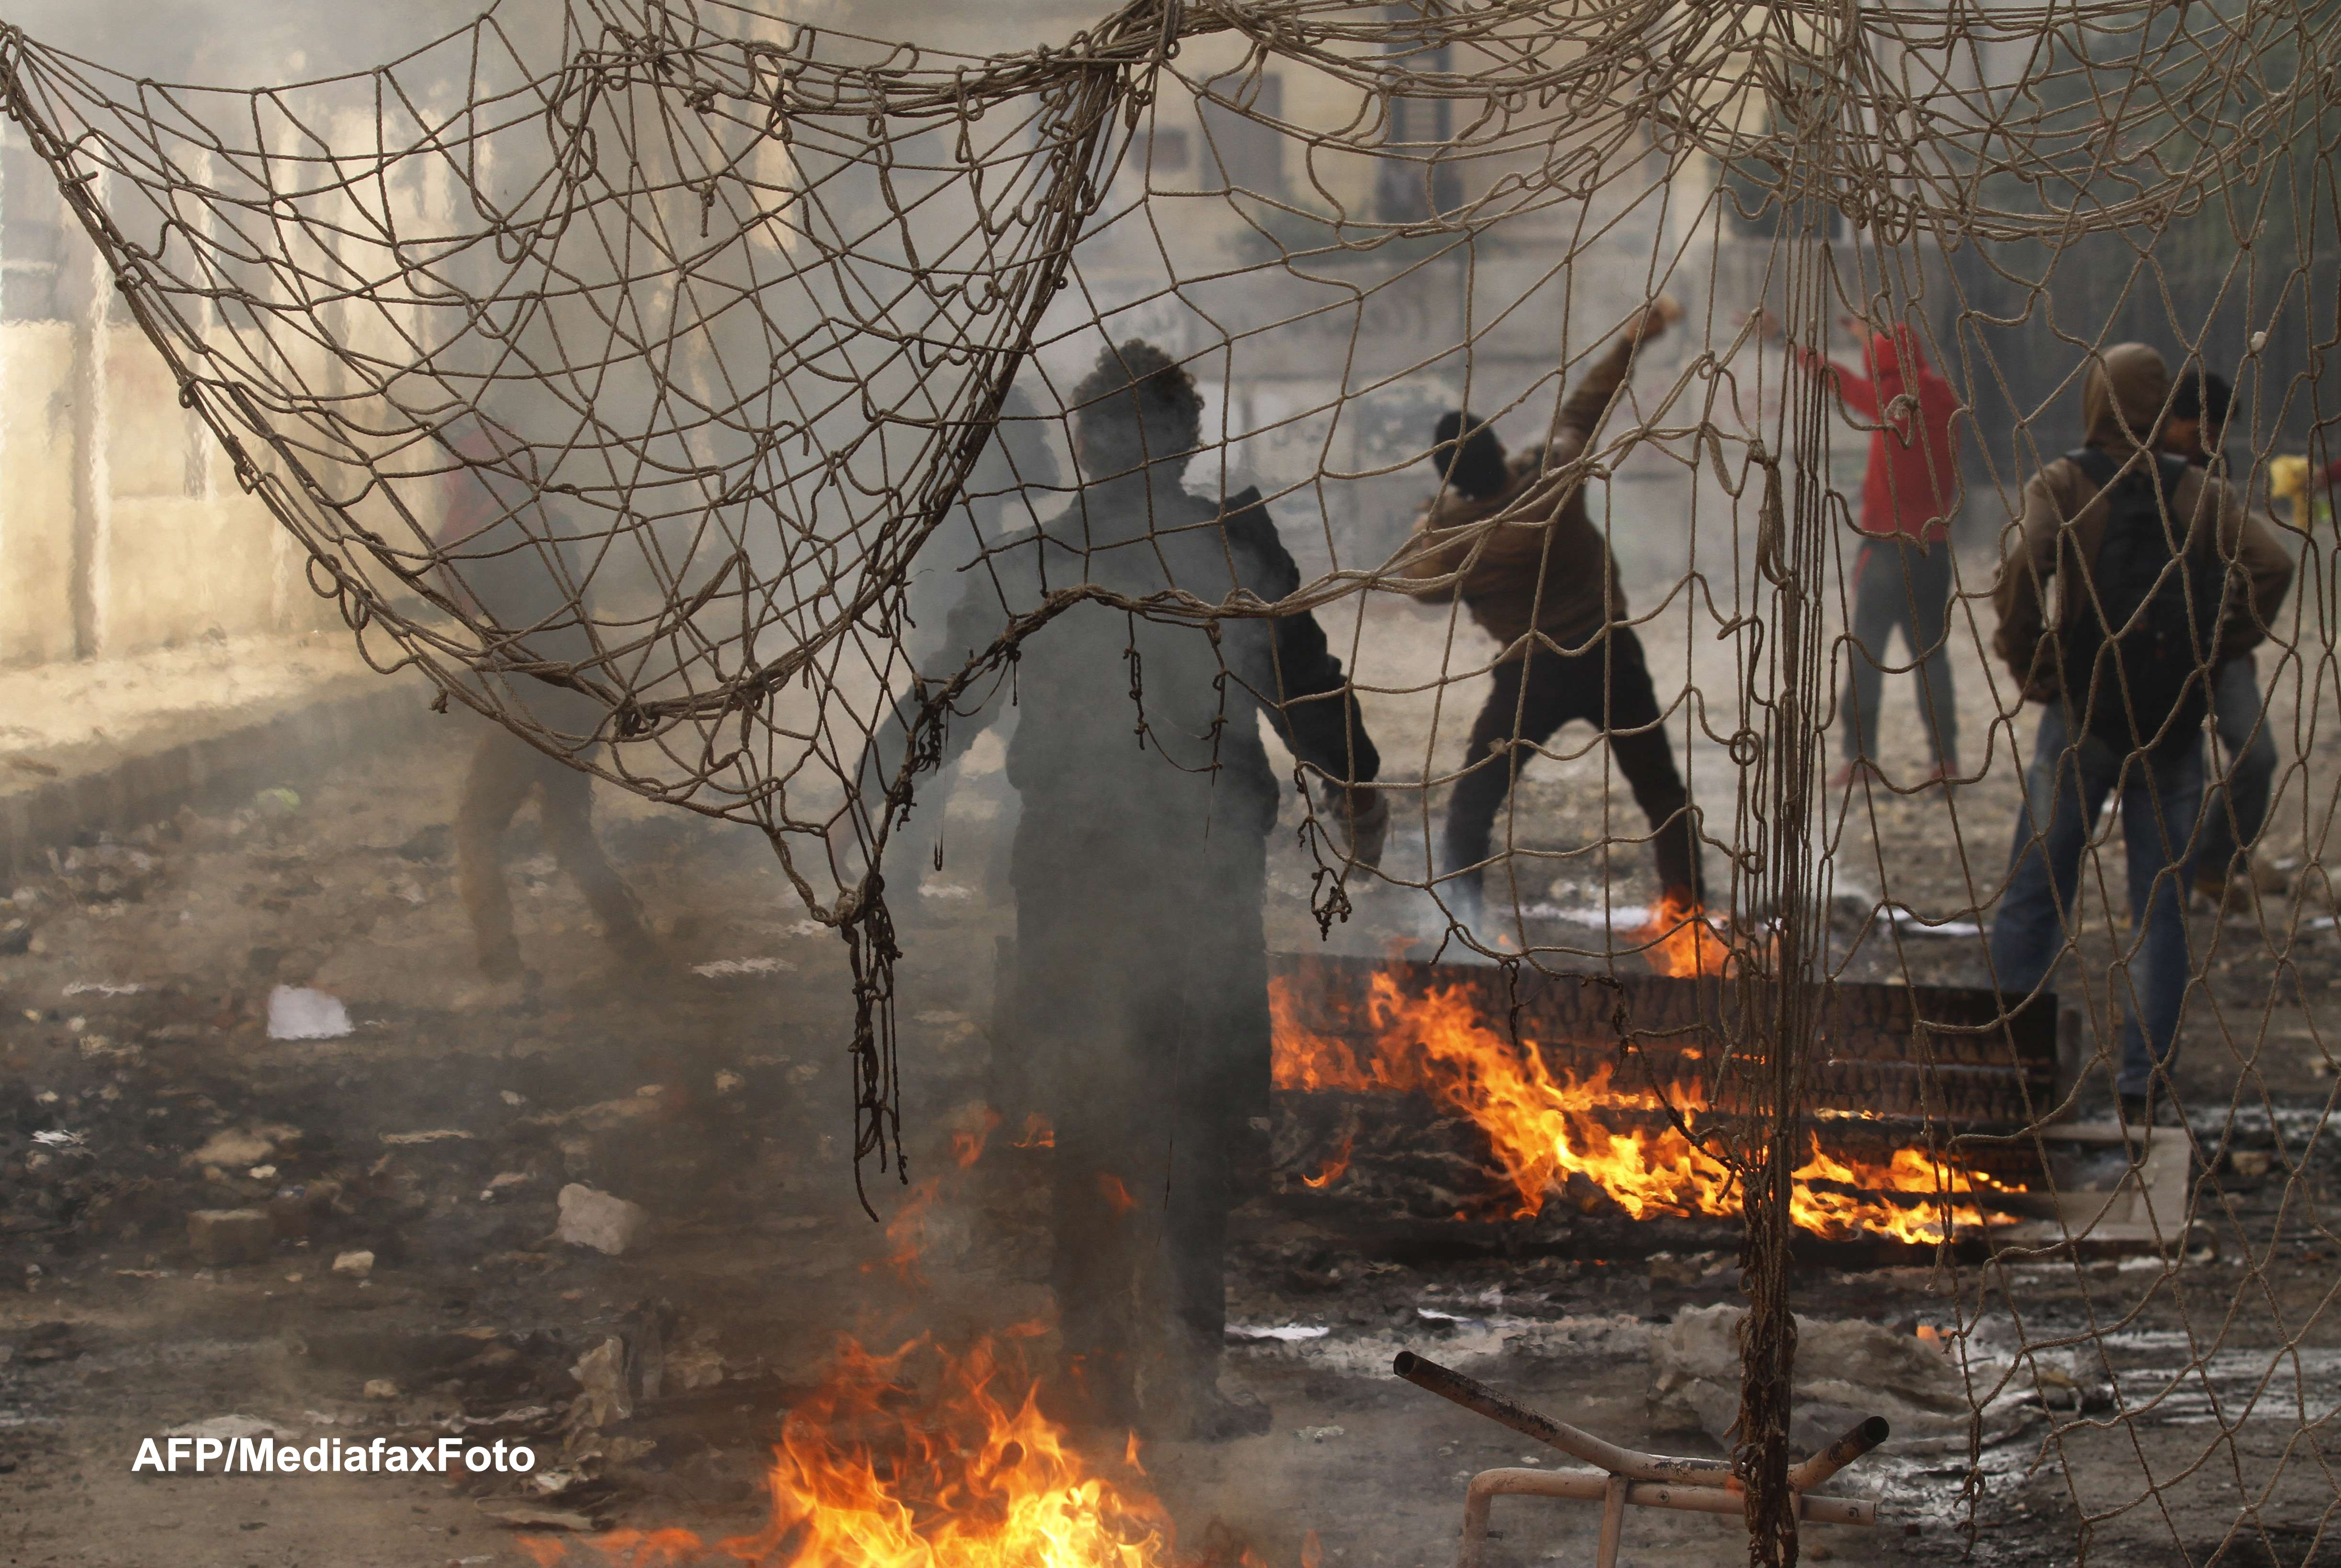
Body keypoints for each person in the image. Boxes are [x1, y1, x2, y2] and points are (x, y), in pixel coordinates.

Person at [844, 341, 1384, 1439]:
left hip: (1100, 883)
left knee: (1106, 1126)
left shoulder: (1059, 565)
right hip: (1174, 879)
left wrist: (884, 853)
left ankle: (1107, 1380)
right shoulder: (1218, 559)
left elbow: (926, 726)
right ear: (1173, 442)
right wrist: (1355, 793)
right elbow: (1314, 705)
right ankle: (1169, 1384)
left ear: (1108, 446)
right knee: (1174, 1127)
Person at [1987, 343, 2292, 1125]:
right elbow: (2272, 563)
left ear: (2095, 400)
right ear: (2162, 410)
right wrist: (2221, 645)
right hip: (2174, 726)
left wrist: (2029, 665)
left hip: (2083, 715)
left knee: (2036, 894)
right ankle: (2143, 1080)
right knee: (2160, 909)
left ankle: (2007, 1068)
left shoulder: (2063, 481)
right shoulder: (2200, 490)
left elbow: (2022, 565)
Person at [1393, 301, 1703, 928]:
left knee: (1473, 803)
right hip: (1610, 654)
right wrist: (1631, 338)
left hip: (1530, 675)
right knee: (1662, 792)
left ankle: (1462, 924)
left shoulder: (1463, 541)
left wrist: (1430, 522)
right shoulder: (1550, 480)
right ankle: (1688, 914)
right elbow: (1584, 407)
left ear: (1448, 479)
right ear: (1500, 447)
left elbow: (1416, 584)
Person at [436, 425, 653, 986]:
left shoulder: (480, 536)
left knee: (477, 825)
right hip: (588, 690)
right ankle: (630, 936)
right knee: (568, 825)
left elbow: (458, 598)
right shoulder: (556, 522)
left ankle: (501, 967)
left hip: (538, 700)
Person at [1759, 307, 1965, 789]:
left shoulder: (1884, 398)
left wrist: (1784, 340)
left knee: (1866, 654)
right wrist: (1866, 332)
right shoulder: (1943, 397)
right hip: (1934, 551)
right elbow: (1896, 358)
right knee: (1932, 657)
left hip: (1886, 551)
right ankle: (1946, 759)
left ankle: (1860, 758)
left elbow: (1834, 378)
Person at [2163, 369, 2289, 910]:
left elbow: (2255, 564)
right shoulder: (2137, 471)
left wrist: (2234, 638)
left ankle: (2213, 866)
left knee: (2257, 756)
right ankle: (2162, 884)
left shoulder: (2216, 471)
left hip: (2216, 638)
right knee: (2172, 768)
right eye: (2205, 426)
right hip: (2156, 646)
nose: (2210, 439)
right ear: (2177, 419)